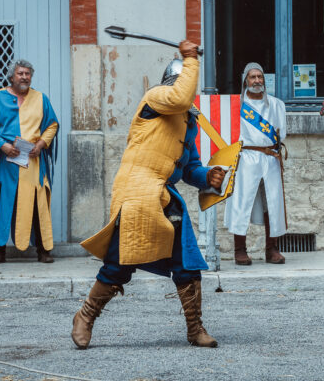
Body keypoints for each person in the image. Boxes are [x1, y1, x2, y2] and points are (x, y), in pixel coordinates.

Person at [72, 41, 226, 350]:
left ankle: (195, 328)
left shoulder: (189, 121)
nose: (187, 89)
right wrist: (190, 57)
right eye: (184, 80)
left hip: (165, 196)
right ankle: (85, 315)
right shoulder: (155, 98)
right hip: (137, 190)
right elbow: (180, 96)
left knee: (186, 260)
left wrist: (207, 176)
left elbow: (189, 167)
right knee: (121, 261)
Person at [0, 59, 59, 265]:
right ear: (11, 77)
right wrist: (3, 146)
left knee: (37, 207)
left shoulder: (41, 99)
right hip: (6, 163)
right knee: (2, 205)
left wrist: (41, 144)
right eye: (20, 73)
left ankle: (43, 251)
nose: (24, 77)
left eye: (27, 74)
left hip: (32, 163)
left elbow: (52, 125)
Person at [223, 63, 287, 266]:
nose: (257, 81)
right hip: (246, 157)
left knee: (272, 203)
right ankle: (240, 250)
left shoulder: (276, 105)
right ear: (246, 81)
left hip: (270, 157)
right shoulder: (237, 105)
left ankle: (272, 249)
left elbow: (282, 133)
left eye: (260, 77)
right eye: (253, 77)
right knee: (242, 202)